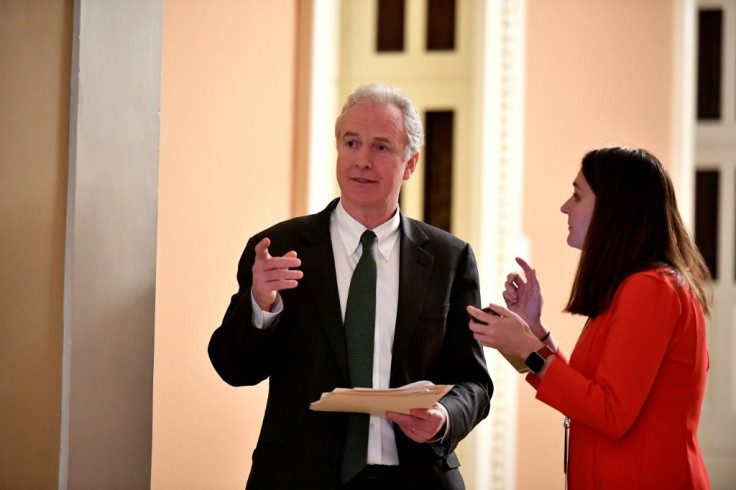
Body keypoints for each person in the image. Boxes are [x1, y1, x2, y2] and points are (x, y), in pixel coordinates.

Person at [209, 82, 493, 490]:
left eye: (380, 147)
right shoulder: (278, 250)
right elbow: (234, 369)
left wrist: (444, 418)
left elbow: (475, 383)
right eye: (351, 143)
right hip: (299, 478)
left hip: (416, 478)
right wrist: (260, 304)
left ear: (410, 163)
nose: (362, 160)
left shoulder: (450, 259)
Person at [467, 147, 711, 489]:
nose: (565, 206)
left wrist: (528, 350)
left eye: (577, 196)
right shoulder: (635, 286)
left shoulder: (650, 289)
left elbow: (610, 413)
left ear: (614, 209)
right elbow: (590, 392)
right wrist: (533, 331)